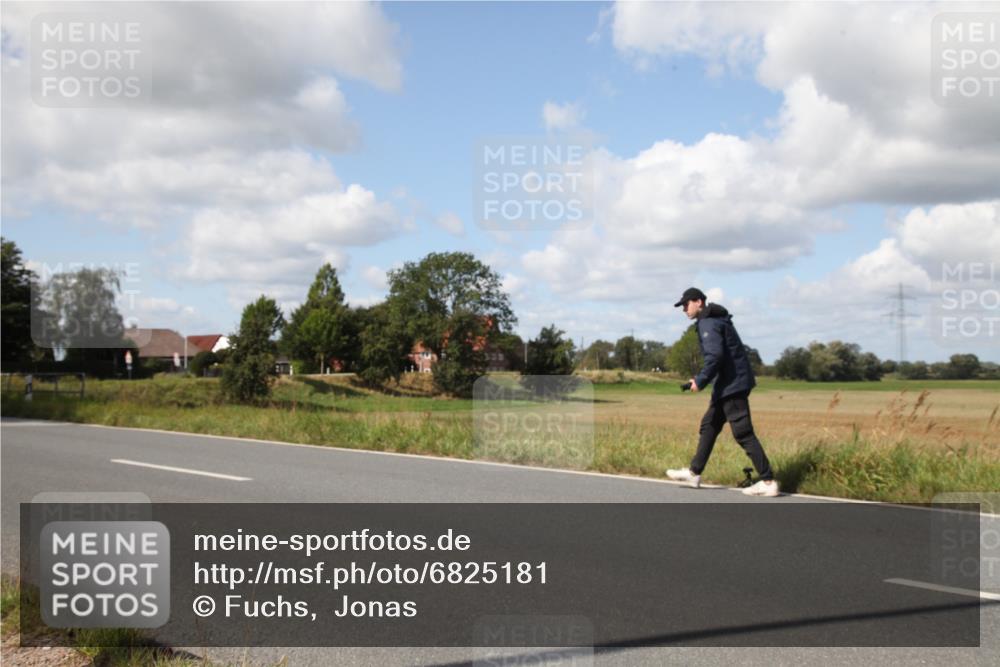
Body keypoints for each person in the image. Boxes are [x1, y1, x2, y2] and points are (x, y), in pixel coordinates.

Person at [665, 287, 779, 497]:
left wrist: (700, 380)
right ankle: (694, 472)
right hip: (728, 384)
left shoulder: (708, 322)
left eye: (686, 304)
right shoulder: (715, 319)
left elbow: (715, 356)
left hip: (732, 385)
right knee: (709, 425)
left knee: (743, 433)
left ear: (699, 302)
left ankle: (768, 480)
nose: (684, 309)